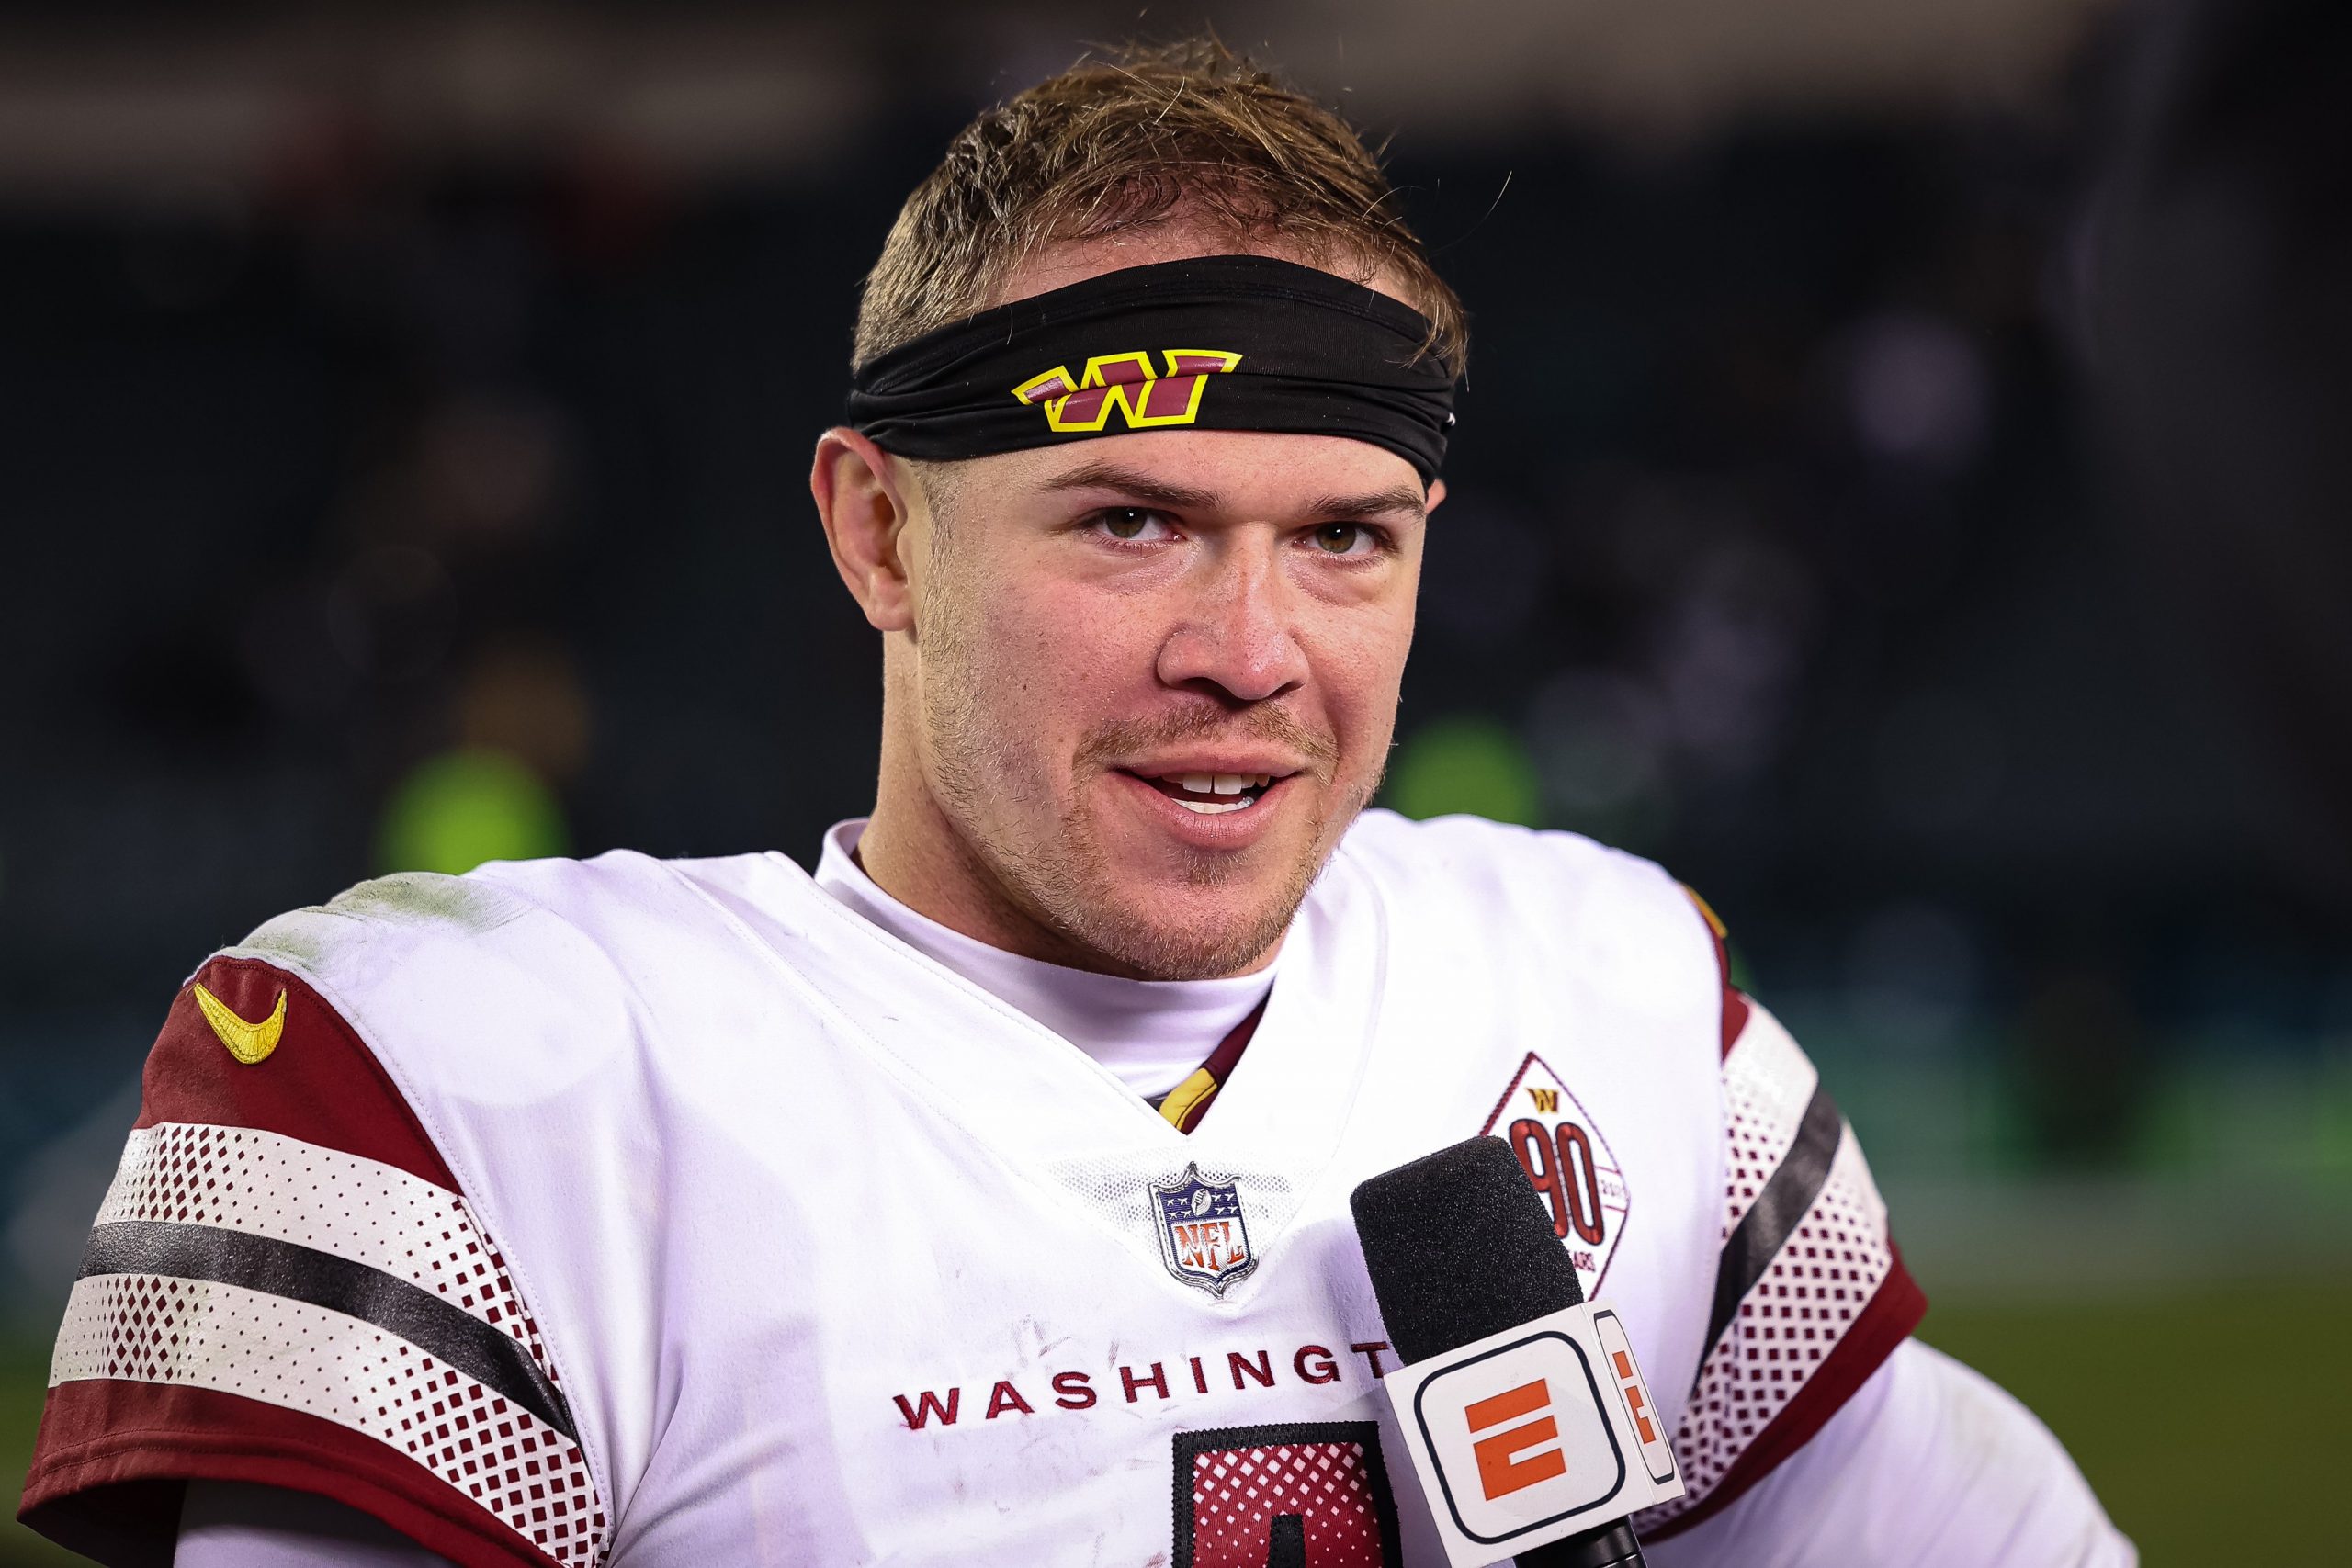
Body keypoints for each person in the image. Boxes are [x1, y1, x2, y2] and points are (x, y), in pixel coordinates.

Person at [20, 40, 2133, 1568]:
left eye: (1343, 537)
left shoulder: (1602, 998)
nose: (1249, 648)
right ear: (879, 534)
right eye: (1129, 523)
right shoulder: (492, 1081)